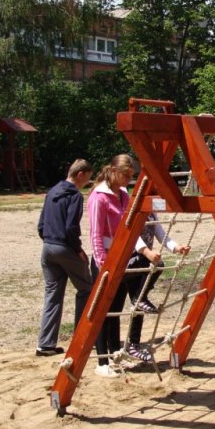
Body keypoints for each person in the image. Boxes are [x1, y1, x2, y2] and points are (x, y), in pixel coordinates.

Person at [36, 159, 94, 357]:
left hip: (48, 248)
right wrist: (77, 249)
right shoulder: (75, 196)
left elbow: (41, 225)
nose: (88, 181)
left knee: (53, 296)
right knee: (87, 289)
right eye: (88, 177)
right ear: (80, 174)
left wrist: (49, 241)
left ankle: (45, 344)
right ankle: (82, 337)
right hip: (64, 247)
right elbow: (71, 227)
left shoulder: (52, 191)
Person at [87, 154, 136, 378]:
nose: (128, 179)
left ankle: (116, 354)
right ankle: (101, 360)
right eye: (126, 175)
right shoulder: (99, 196)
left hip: (122, 256)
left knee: (115, 309)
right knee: (101, 310)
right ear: (115, 171)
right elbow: (95, 233)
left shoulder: (124, 194)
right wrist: (102, 262)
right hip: (105, 260)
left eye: (131, 176)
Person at [120, 213, 190, 362]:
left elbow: (161, 234)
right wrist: (147, 252)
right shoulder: (136, 211)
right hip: (132, 259)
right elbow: (133, 236)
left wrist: (177, 248)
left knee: (138, 306)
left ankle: (133, 345)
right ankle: (140, 299)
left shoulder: (152, 213)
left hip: (144, 260)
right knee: (158, 266)